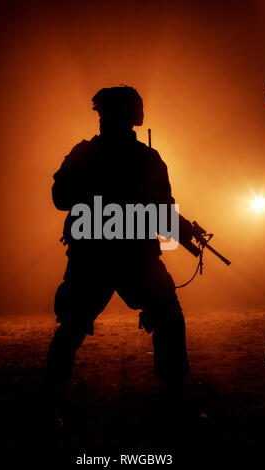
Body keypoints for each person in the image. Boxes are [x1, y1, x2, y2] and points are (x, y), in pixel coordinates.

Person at [46, 86, 191, 395]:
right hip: (124, 258)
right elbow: (162, 211)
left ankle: (49, 397)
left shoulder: (88, 154)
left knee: (73, 327)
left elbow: (61, 198)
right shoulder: (143, 158)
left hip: (98, 257)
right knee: (166, 316)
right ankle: (175, 394)